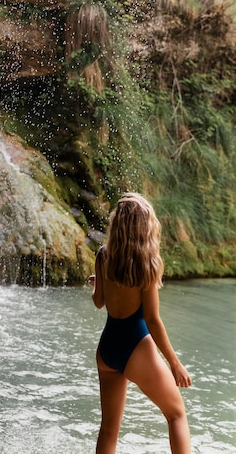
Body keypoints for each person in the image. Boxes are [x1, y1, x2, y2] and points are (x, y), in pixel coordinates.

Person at [89, 192, 191, 454]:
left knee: (109, 428)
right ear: (144, 226)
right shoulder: (147, 264)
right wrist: (174, 363)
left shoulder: (102, 256)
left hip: (108, 348)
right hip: (136, 346)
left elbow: (99, 302)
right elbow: (152, 319)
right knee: (176, 415)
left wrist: (97, 283)